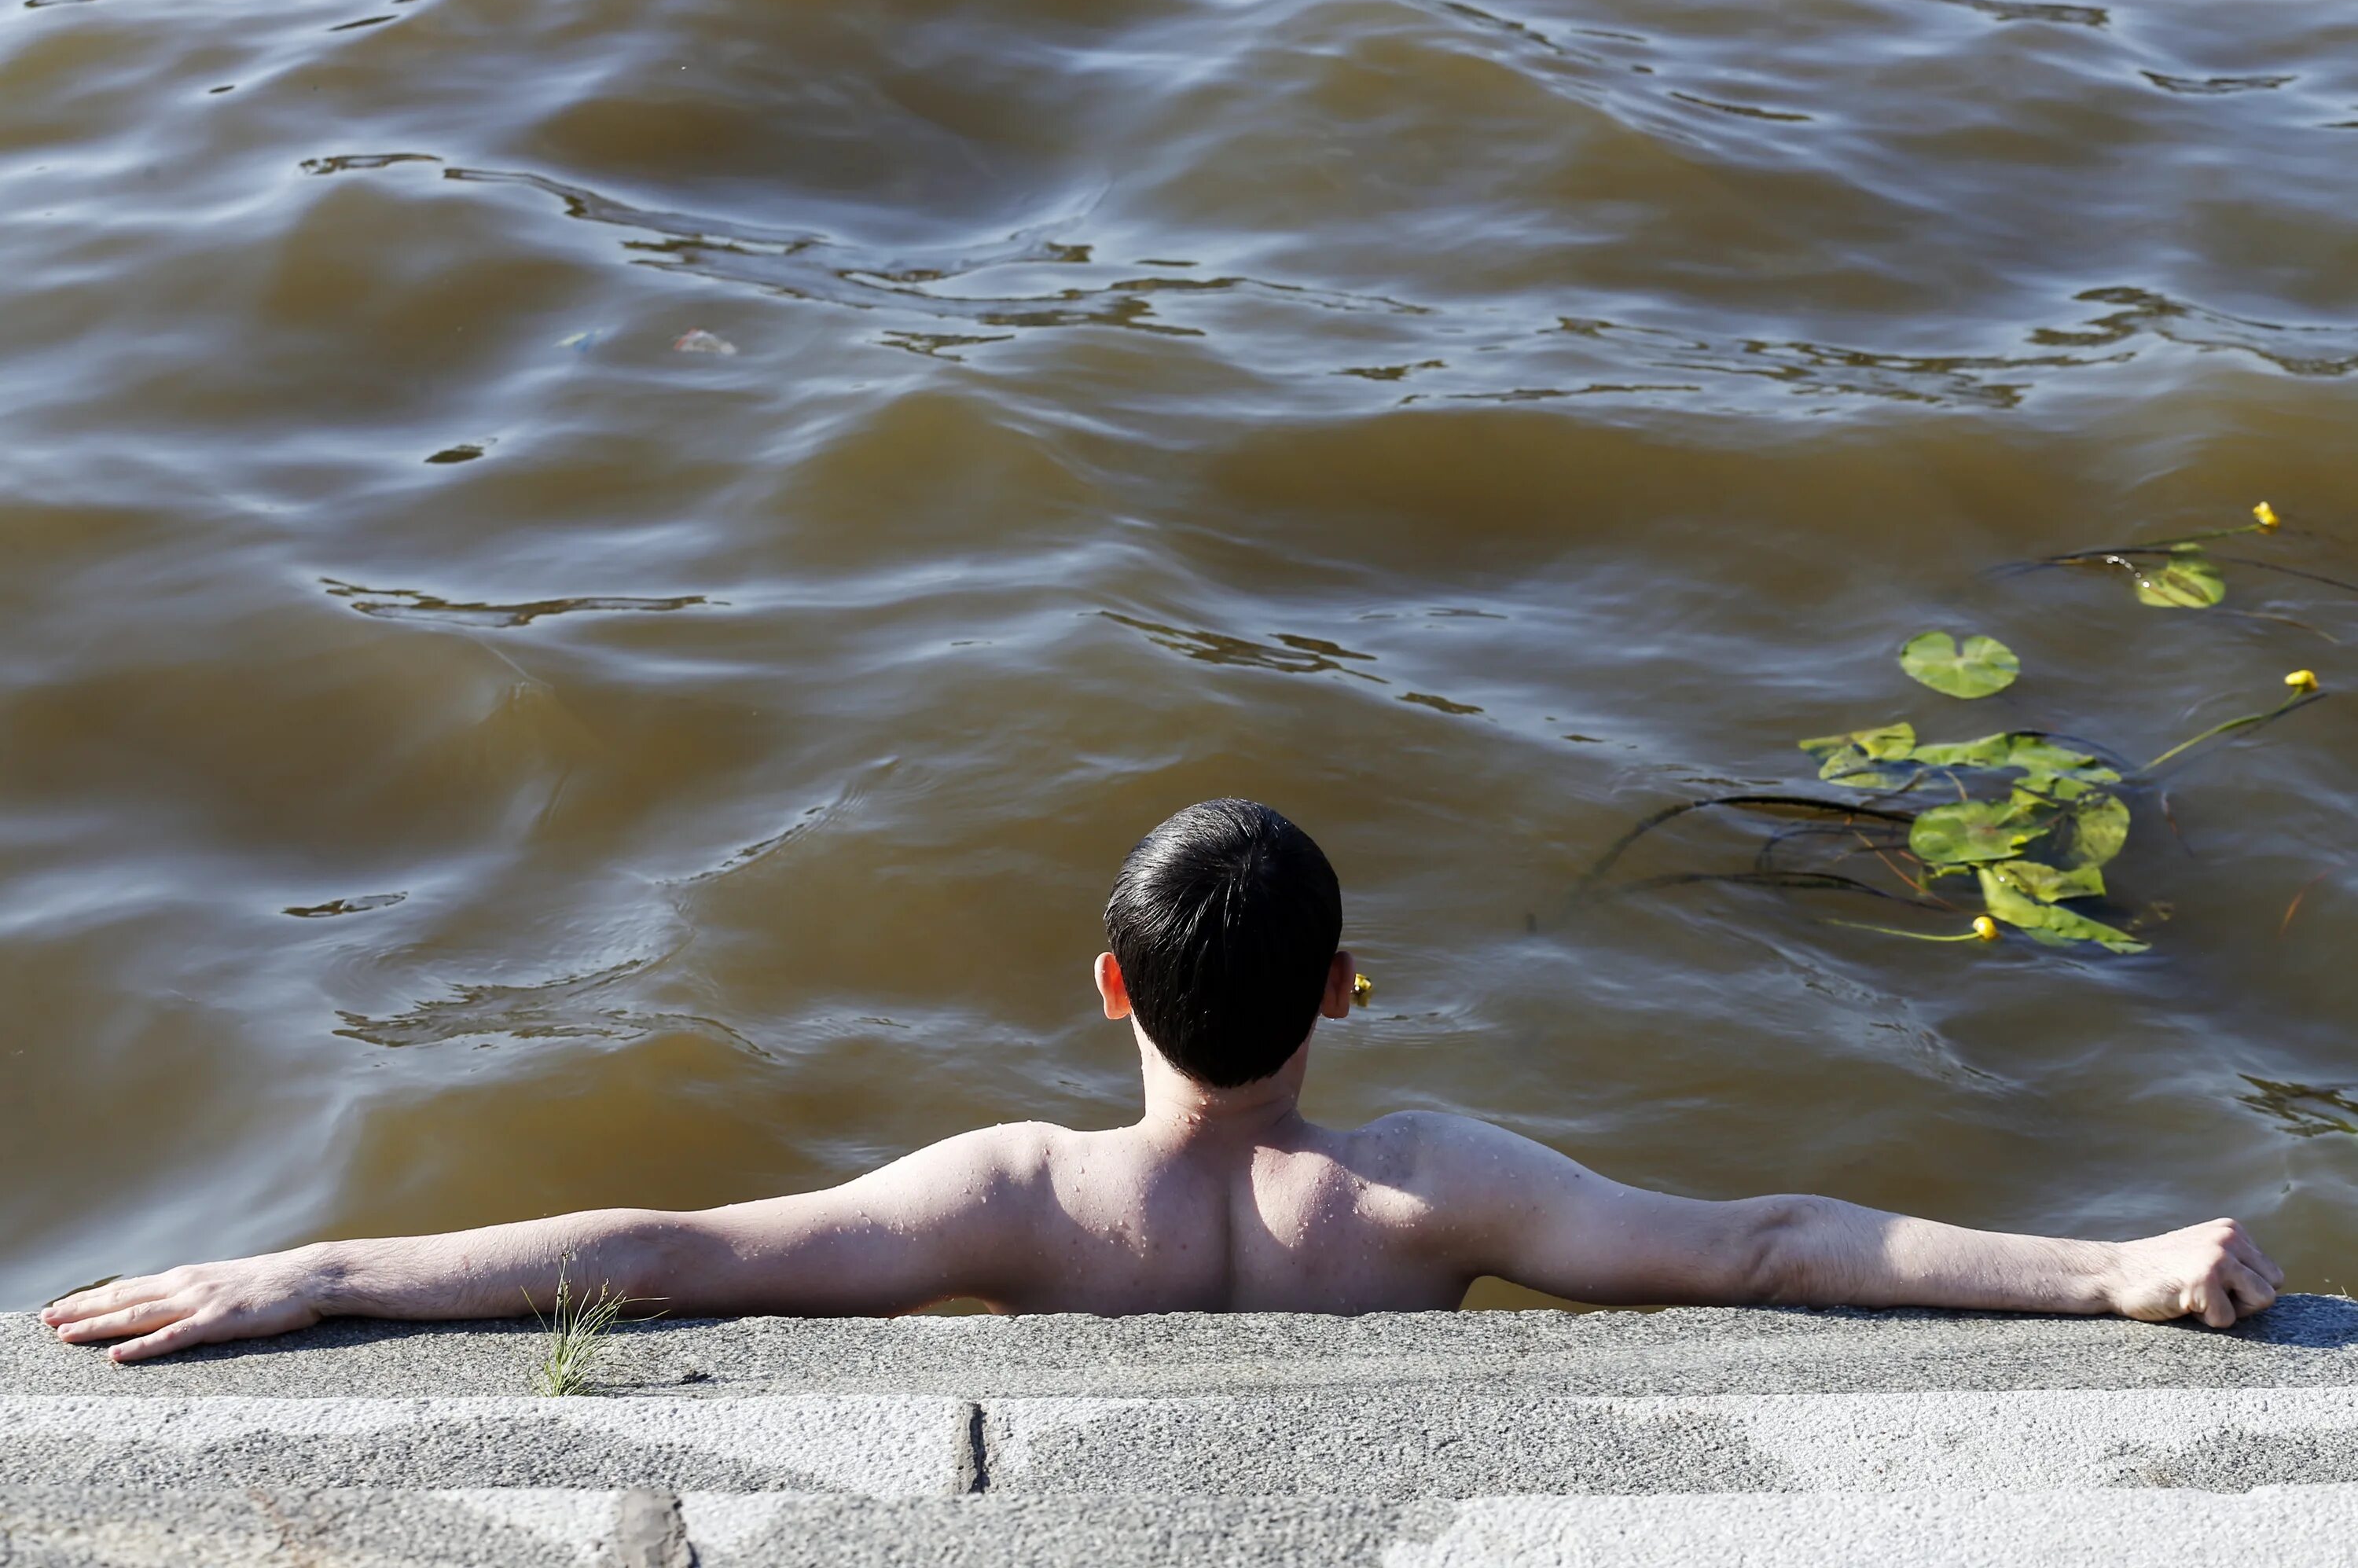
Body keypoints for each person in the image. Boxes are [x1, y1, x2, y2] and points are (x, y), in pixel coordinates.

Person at [44, 799, 2281, 1364]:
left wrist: (319, 1268)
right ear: (1344, 994)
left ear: (1105, 985)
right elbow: (1775, 1246)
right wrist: (2108, 1272)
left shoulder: (1023, 1199)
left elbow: (676, 1252)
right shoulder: (1426, 1194)